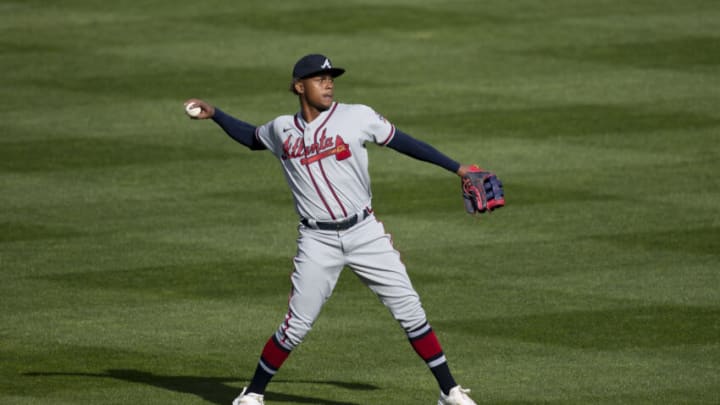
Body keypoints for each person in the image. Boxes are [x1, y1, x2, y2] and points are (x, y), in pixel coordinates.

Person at [185, 54, 479, 405]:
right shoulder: (281, 129)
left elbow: (405, 142)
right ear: (299, 86)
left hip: (365, 233)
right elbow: (251, 137)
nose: (328, 83)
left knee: (410, 309)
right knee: (296, 325)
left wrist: (458, 169)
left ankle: (449, 391)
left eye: (330, 77)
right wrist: (216, 114)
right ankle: (252, 394)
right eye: (318, 78)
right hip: (317, 240)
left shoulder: (358, 116)